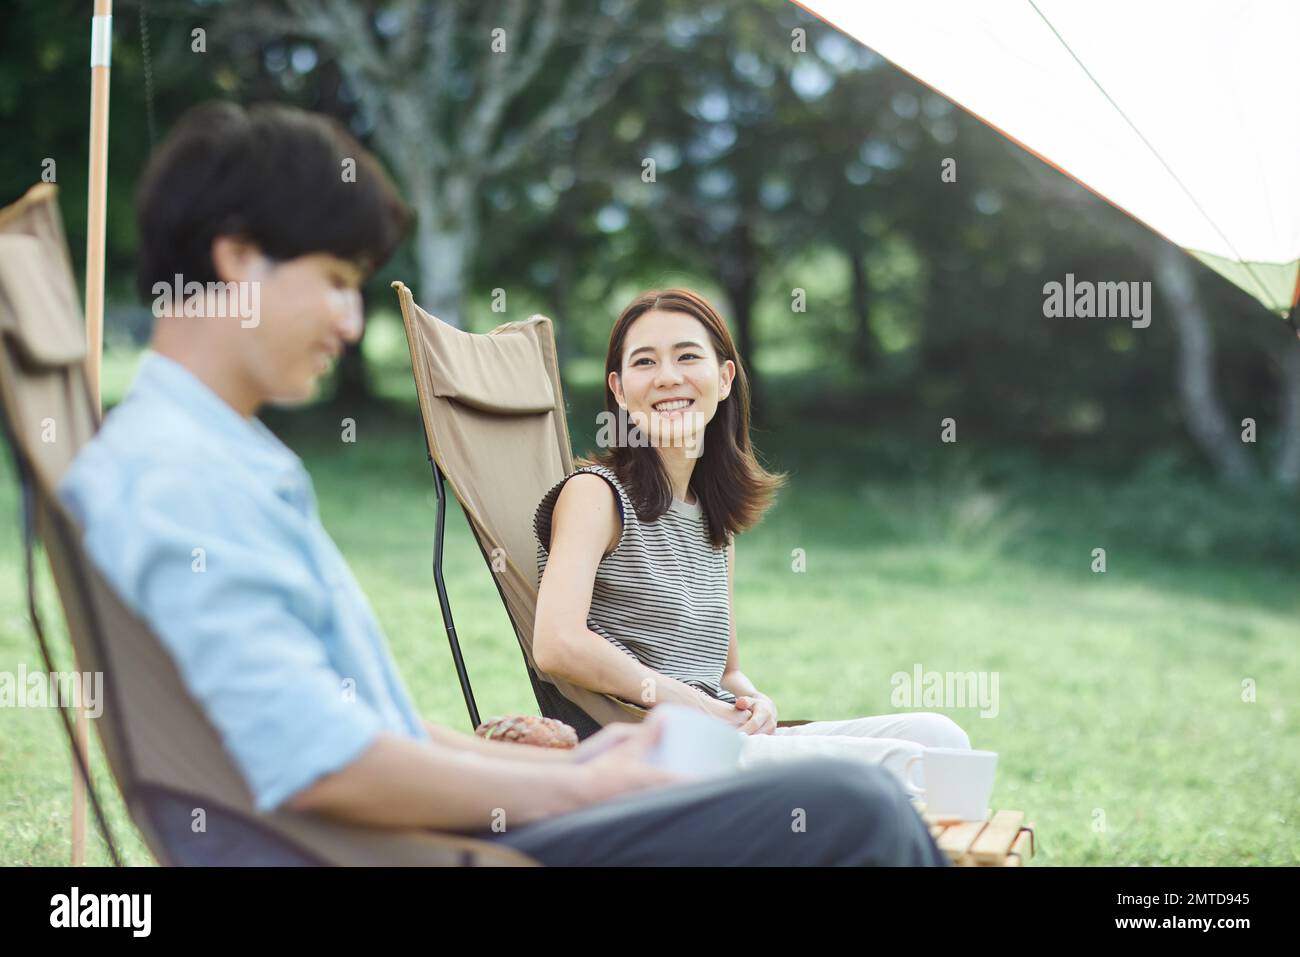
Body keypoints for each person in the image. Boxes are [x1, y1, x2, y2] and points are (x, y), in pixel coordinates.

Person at [57, 100, 949, 866]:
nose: (347, 319)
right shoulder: (178, 478)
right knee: (858, 808)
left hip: (429, 830)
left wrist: (570, 768)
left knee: (869, 788)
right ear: (239, 260)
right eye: (334, 280)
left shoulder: (222, 460)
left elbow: (374, 727)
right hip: (408, 850)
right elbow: (324, 761)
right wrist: (581, 789)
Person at [532, 288, 973, 795]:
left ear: (723, 379)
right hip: (655, 750)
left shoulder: (711, 522)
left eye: (687, 356)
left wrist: (755, 702)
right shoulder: (594, 495)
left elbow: (727, 672)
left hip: (724, 737)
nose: (668, 377)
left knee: (940, 737)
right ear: (620, 388)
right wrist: (696, 705)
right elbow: (557, 644)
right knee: (908, 766)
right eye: (645, 361)